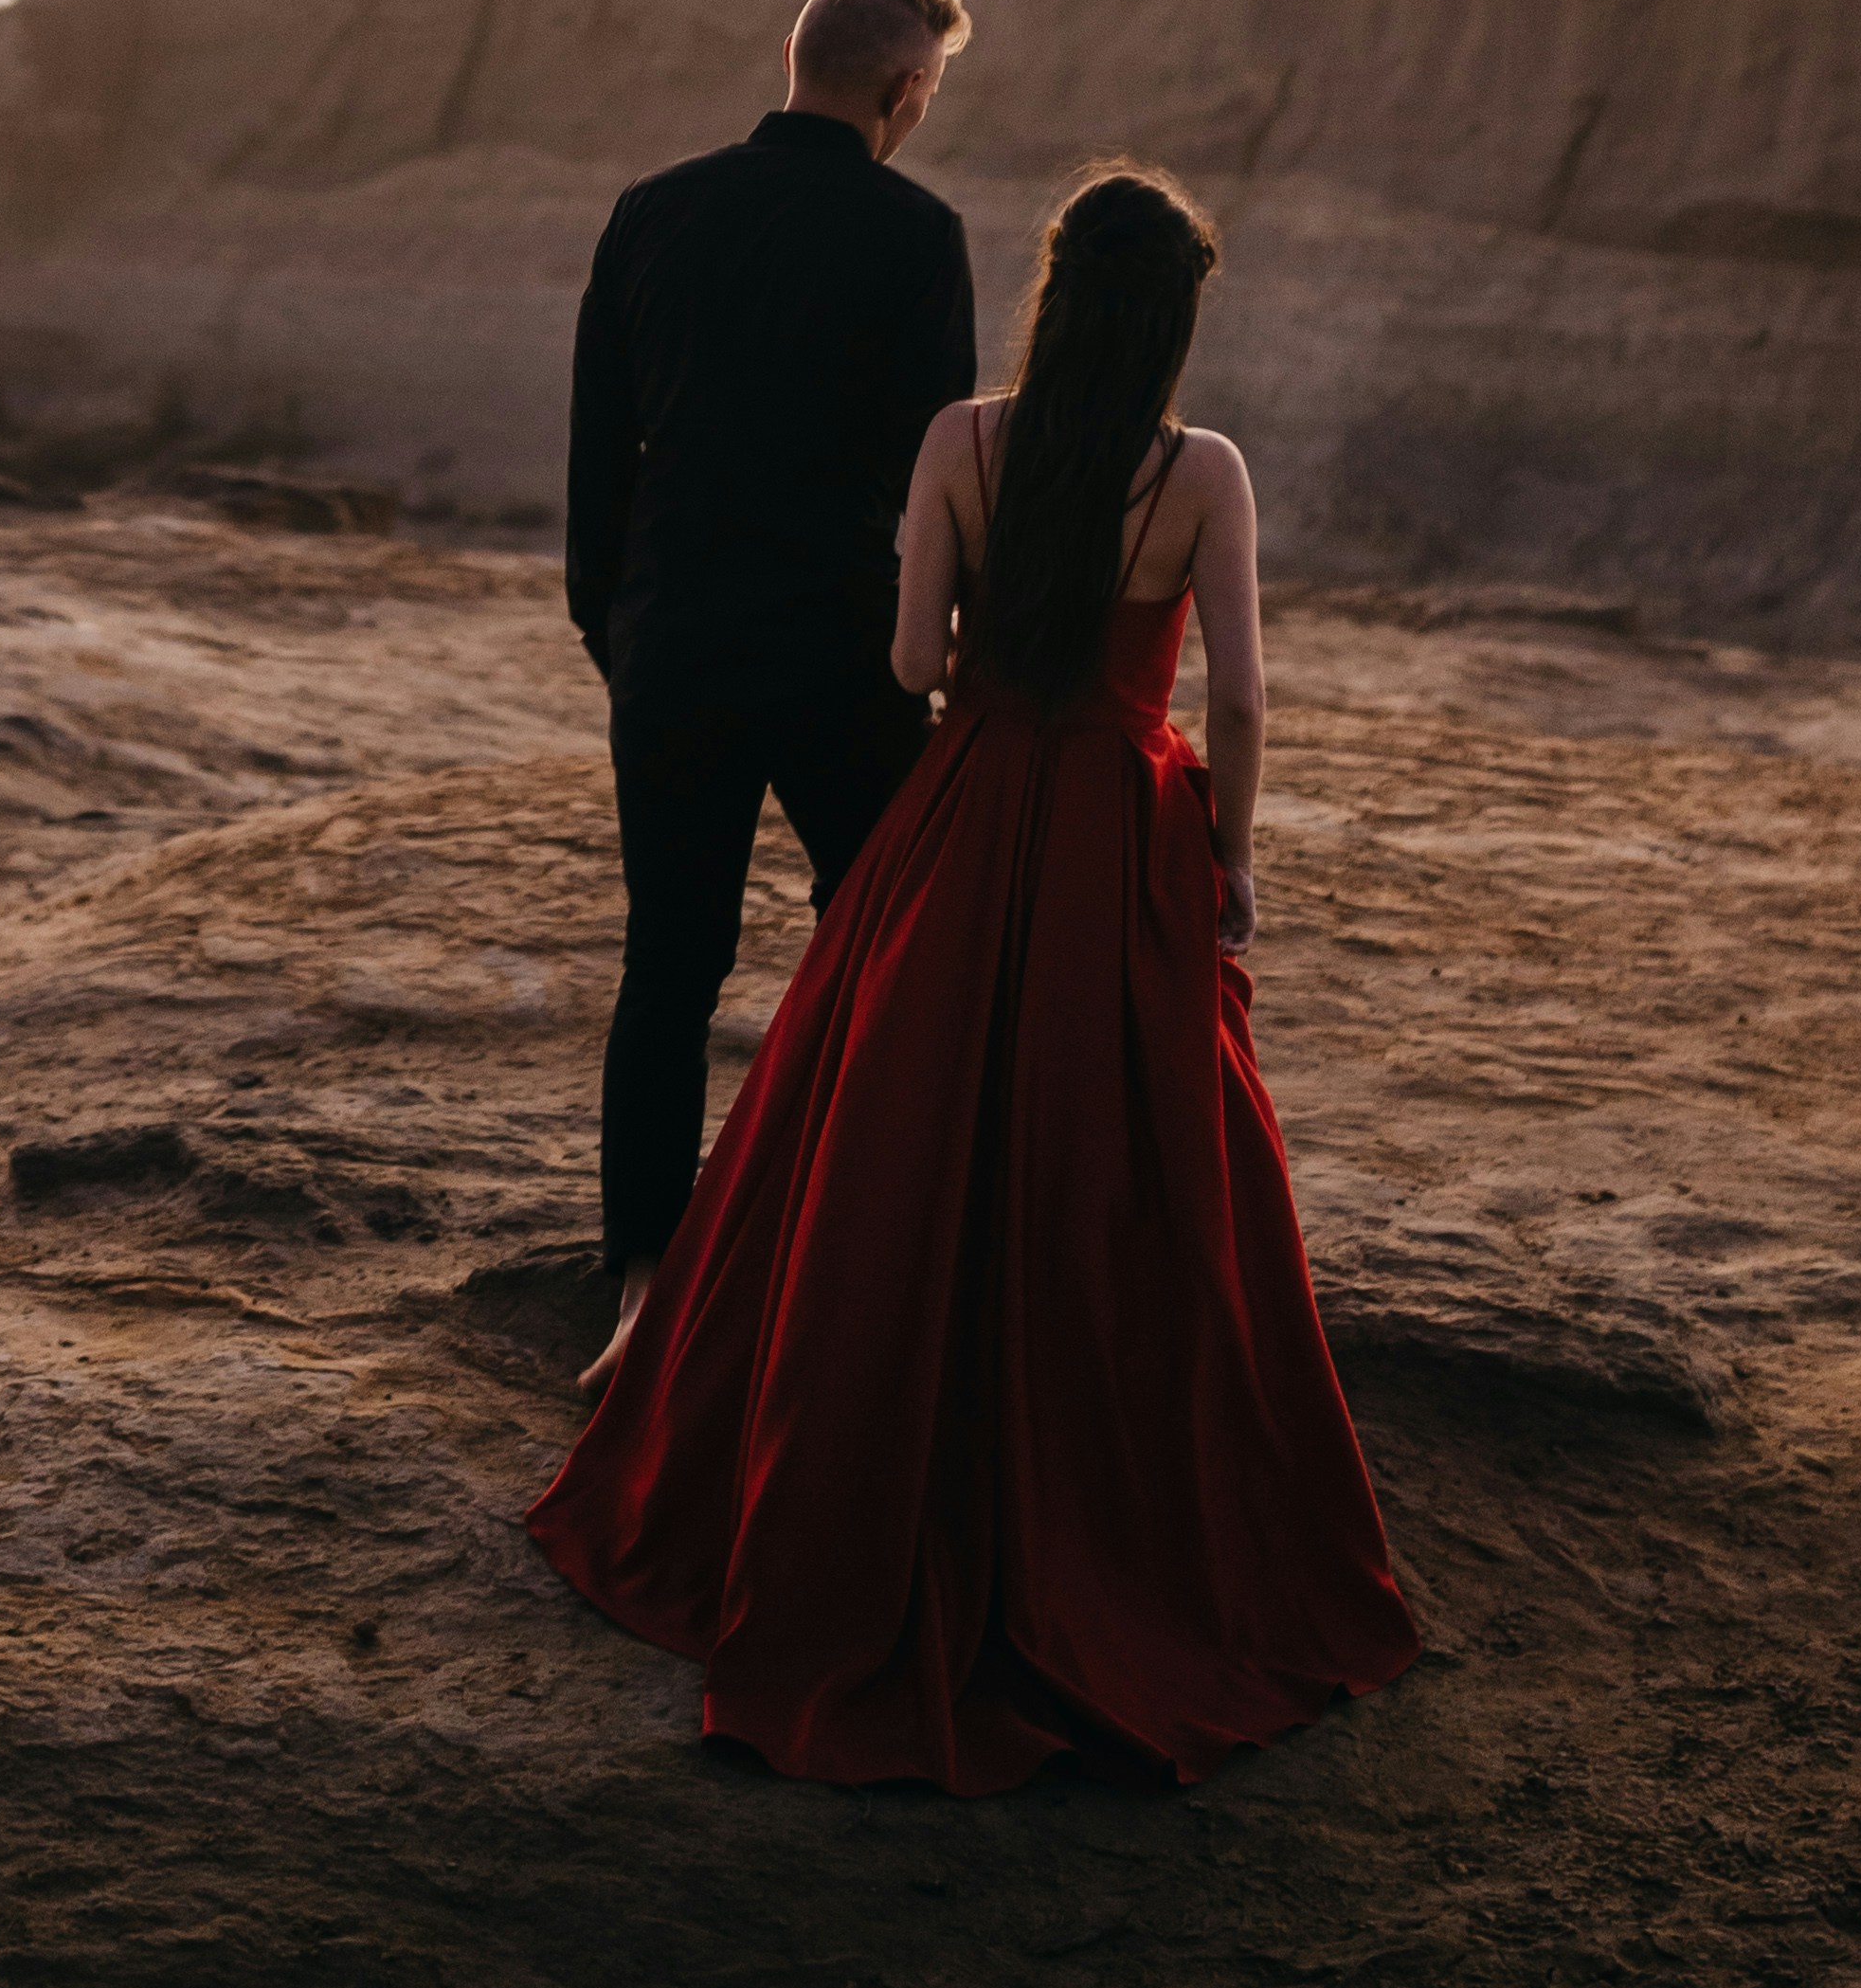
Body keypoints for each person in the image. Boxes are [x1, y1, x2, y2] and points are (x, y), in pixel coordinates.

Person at [532, 160, 1420, 1791]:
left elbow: (906, 662)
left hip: (970, 797)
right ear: (1168, 323)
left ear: (1054, 296)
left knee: (890, 1124)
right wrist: (1226, 854)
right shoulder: (1202, 471)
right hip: (1120, 824)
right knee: (1127, 1141)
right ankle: (1106, 1494)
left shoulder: (963, 441)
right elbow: (1234, 701)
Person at [565, 0, 978, 1395]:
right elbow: (937, 479)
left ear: (793, 59)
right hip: (841, 658)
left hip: (669, 641)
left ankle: (642, 1293)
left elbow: (595, 463)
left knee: (665, 967)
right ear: (904, 89)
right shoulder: (916, 237)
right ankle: (836, 1255)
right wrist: (935, 663)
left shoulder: (651, 212)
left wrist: (617, 629)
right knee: (887, 944)